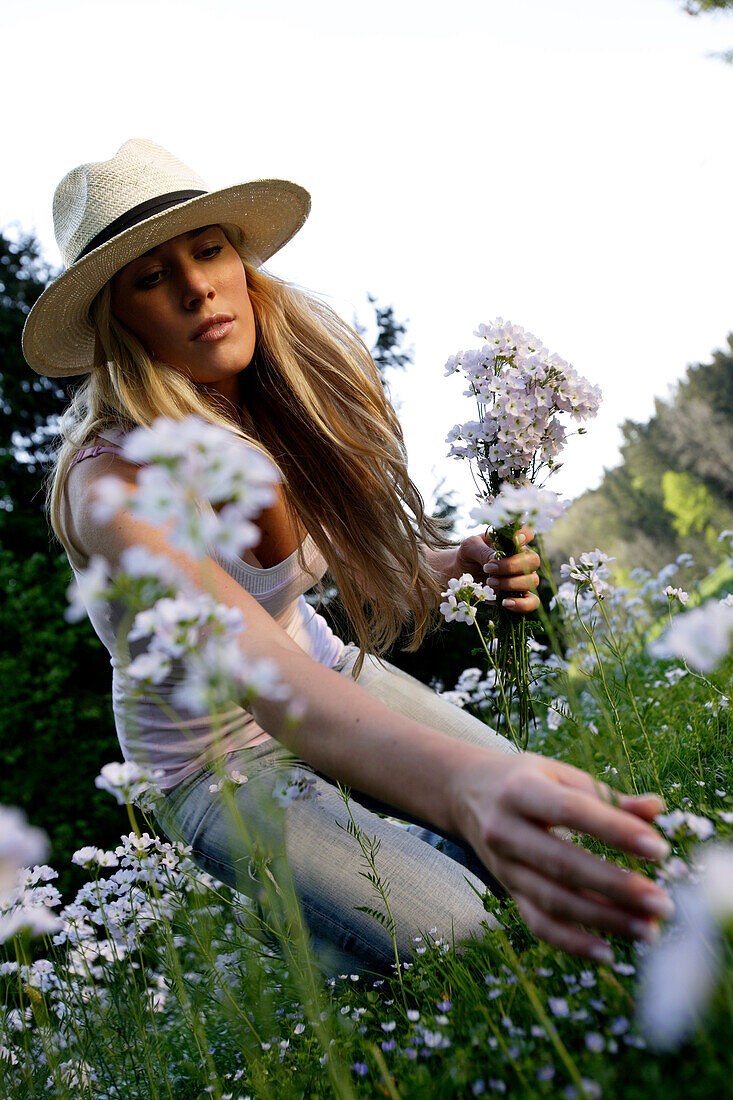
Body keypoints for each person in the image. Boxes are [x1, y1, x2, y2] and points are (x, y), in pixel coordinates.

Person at [24, 138, 673, 973]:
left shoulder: (275, 402)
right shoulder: (113, 488)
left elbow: (326, 574)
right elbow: (270, 690)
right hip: (218, 761)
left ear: (240, 263)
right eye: (150, 279)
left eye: (209, 250)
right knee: (462, 942)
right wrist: (457, 790)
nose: (196, 288)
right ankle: (325, 942)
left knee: (536, 815)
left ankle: (353, 889)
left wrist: (450, 567)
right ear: (118, 324)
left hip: (325, 670)